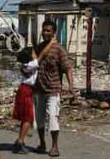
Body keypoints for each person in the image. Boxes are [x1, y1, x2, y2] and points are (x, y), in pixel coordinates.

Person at [34, 20, 76, 157]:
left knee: (53, 118)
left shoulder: (59, 49)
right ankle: (42, 143)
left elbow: (67, 68)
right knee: (39, 119)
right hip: (39, 89)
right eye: (44, 30)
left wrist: (71, 86)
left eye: (48, 31)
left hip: (53, 89)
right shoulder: (39, 47)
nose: (45, 33)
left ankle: (54, 146)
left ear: (54, 32)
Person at [12, 38, 56, 154]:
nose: (35, 53)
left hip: (24, 90)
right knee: (28, 118)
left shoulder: (26, 65)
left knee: (25, 117)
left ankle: (19, 139)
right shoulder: (31, 64)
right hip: (26, 91)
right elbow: (42, 54)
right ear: (30, 56)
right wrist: (51, 43)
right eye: (33, 52)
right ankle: (20, 142)